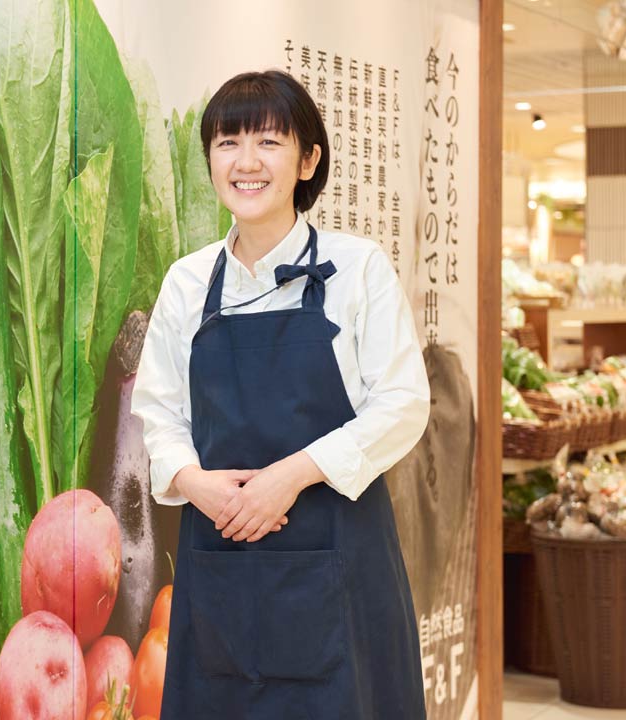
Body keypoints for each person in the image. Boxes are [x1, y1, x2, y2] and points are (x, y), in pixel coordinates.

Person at [129, 69, 430, 719]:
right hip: (221, 555)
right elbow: (158, 409)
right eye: (227, 143)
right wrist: (194, 482)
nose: (246, 162)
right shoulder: (187, 283)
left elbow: (402, 402)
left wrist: (290, 477)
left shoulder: (358, 269)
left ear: (308, 160)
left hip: (340, 555)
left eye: (268, 142)